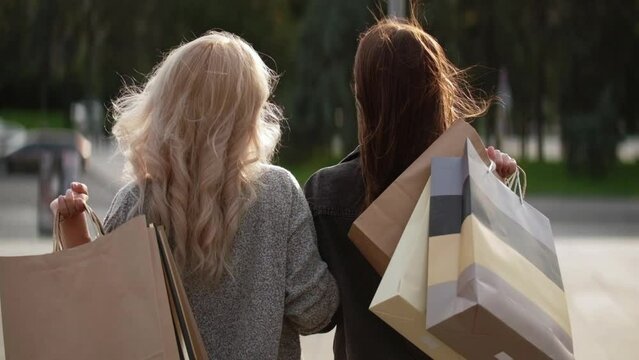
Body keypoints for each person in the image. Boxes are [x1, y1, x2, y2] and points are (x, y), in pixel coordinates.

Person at [50, 31, 338, 360]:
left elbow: (100, 314)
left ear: (166, 106)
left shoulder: (138, 202)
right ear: (246, 115)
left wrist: (74, 234)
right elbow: (316, 313)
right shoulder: (278, 193)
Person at [304, 16, 517, 360]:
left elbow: (319, 315)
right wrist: (494, 192)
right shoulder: (463, 179)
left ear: (364, 97)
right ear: (436, 93)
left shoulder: (326, 194)